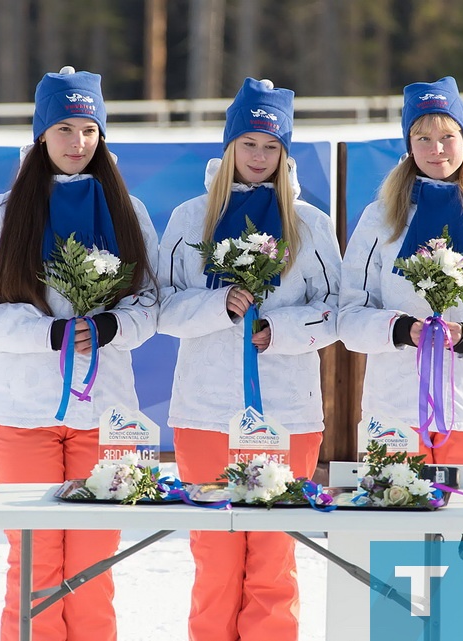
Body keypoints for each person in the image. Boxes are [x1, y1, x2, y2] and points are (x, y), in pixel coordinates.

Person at [0, 66, 159, 641]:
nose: (77, 143)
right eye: (65, 129)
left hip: (106, 415)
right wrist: (48, 333)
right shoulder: (3, 213)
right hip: (24, 415)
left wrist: (113, 326)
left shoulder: (128, 212)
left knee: (95, 567)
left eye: (89, 130)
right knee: (35, 567)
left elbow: (150, 304)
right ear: (42, 134)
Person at [157, 77, 341, 641]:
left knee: (272, 561)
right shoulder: (190, 219)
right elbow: (160, 309)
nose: (258, 157)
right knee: (215, 559)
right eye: (248, 144)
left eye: (271, 146)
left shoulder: (310, 224)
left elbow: (335, 311)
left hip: (287, 412)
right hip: (206, 411)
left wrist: (275, 328)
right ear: (228, 146)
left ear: (285, 153)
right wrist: (220, 306)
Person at [338, 76, 463, 465]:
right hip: (394, 410)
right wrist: (401, 330)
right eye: (423, 139)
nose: (437, 150)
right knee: (394, 521)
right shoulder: (380, 219)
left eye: (447, 136)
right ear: (409, 145)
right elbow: (348, 315)